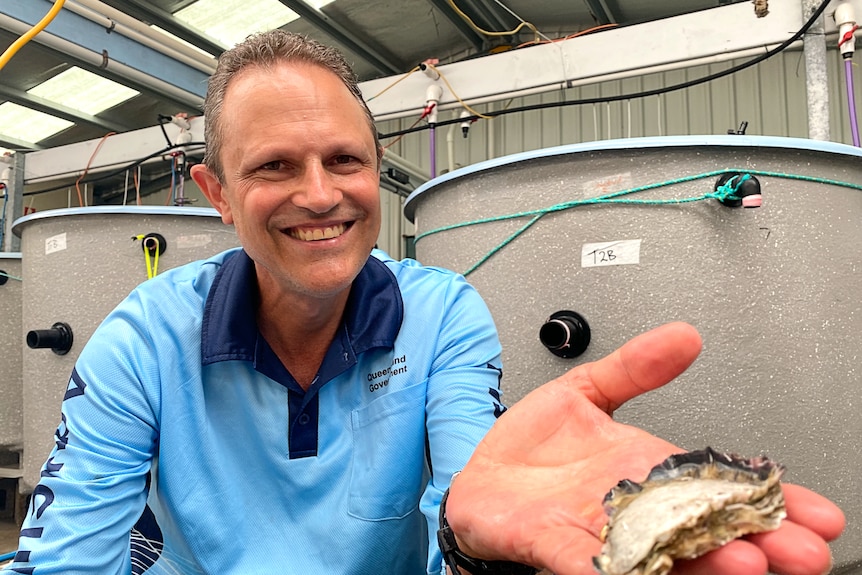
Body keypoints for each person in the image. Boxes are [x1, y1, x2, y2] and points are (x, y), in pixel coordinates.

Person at [2, 30, 843, 575]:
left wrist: (473, 545)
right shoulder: (142, 340)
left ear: (378, 170)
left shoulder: (443, 314)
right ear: (216, 191)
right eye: (273, 168)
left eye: (345, 159)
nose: (320, 194)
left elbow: (470, 500)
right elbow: (67, 556)